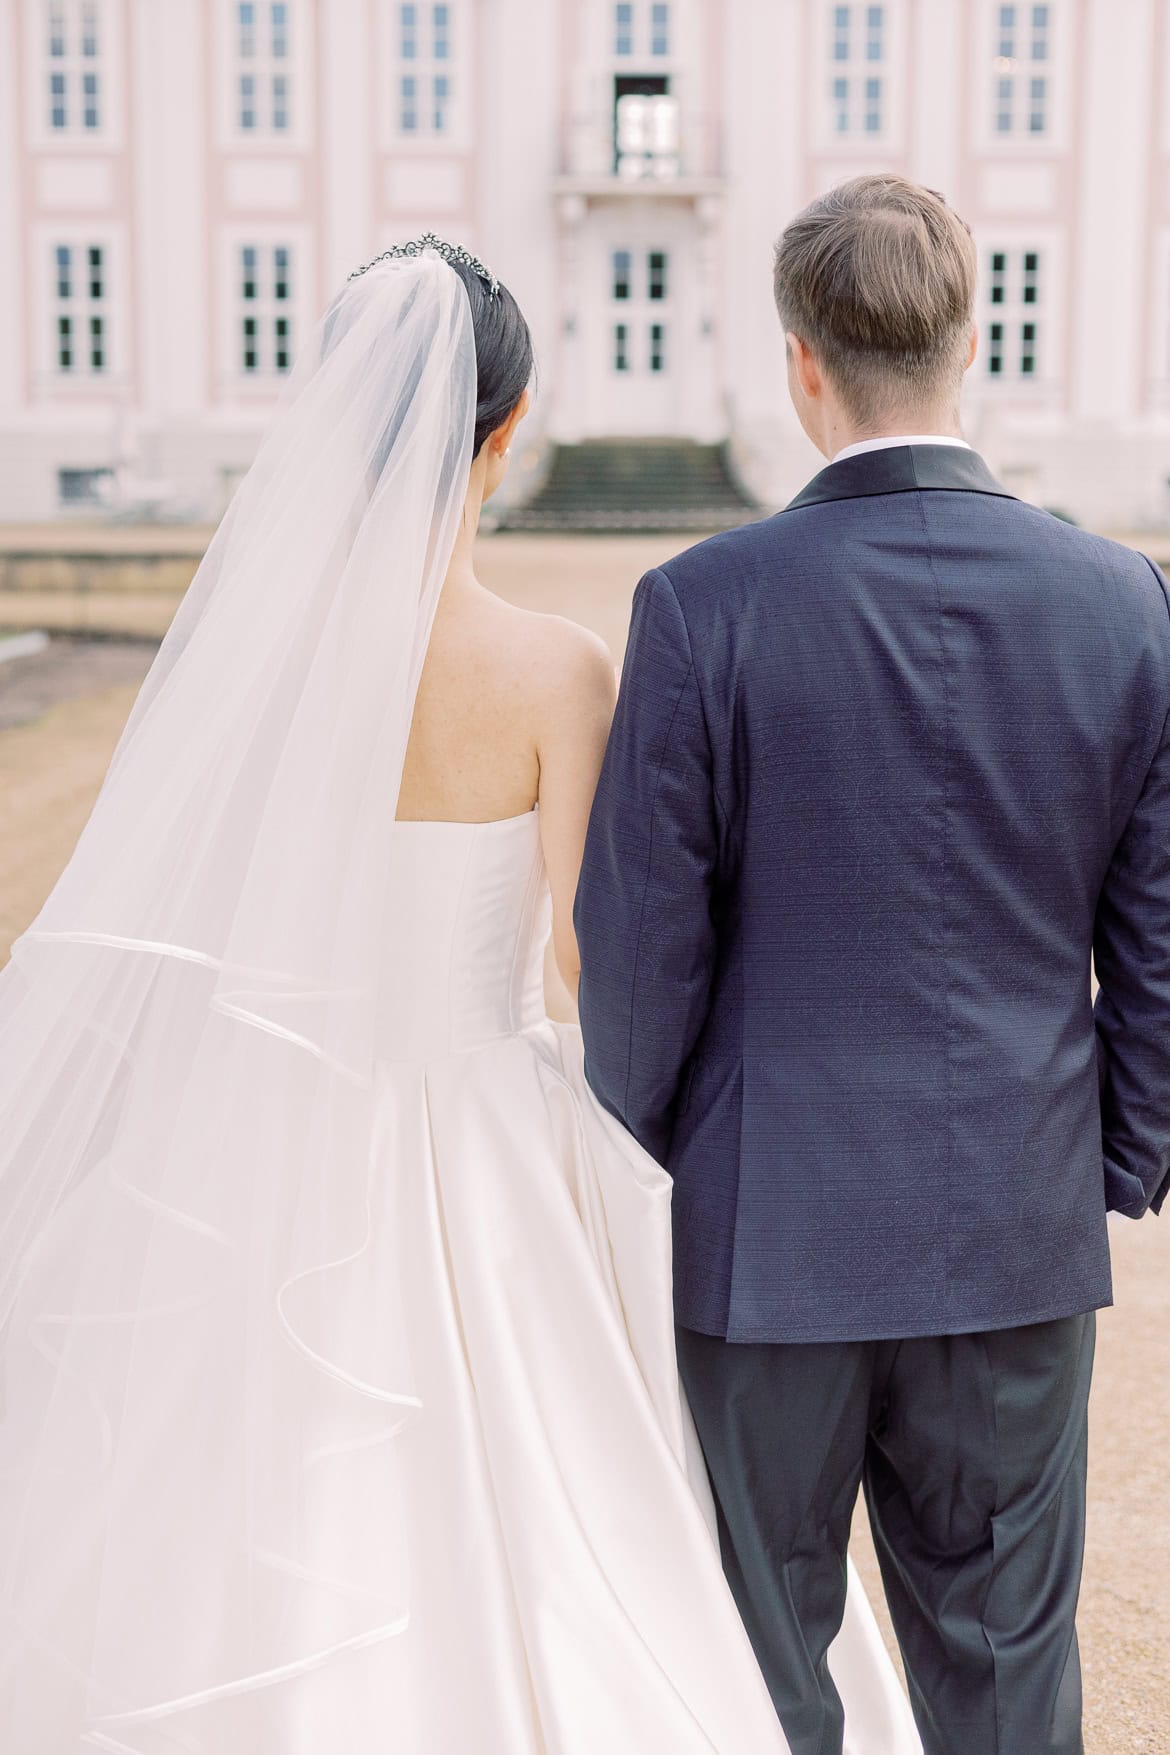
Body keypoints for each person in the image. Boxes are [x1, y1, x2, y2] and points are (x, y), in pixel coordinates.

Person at [0, 238, 917, 1752]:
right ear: (509, 429)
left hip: (264, 1102)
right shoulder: (556, 669)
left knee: (213, 1470)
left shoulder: (261, 663)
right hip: (478, 1097)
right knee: (578, 1487)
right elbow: (584, 955)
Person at [576, 174, 1170, 1755]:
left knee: (761, 1669)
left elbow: (642, 952)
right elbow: (1159, 937)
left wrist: (632, 1178)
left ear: (798, 362)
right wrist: (1110, 1163)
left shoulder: (699, 607)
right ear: (967, 343)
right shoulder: (1122, 606)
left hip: (762, 1235)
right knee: (1003, 1669)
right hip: (1014, 1223)